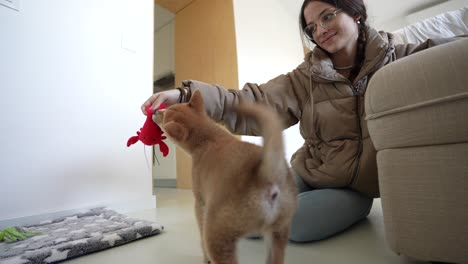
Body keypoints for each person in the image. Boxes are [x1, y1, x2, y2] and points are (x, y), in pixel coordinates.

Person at [142, 0, 460, 242]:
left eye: (327, 16)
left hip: (355, 189)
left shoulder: (401, 59)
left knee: (293, 224)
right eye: (311, 27)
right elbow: (251, 102)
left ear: (356, 13)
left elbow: (450, 62)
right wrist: (185, 95)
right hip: (308, 171)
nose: (320, 30)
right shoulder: (304, 78)